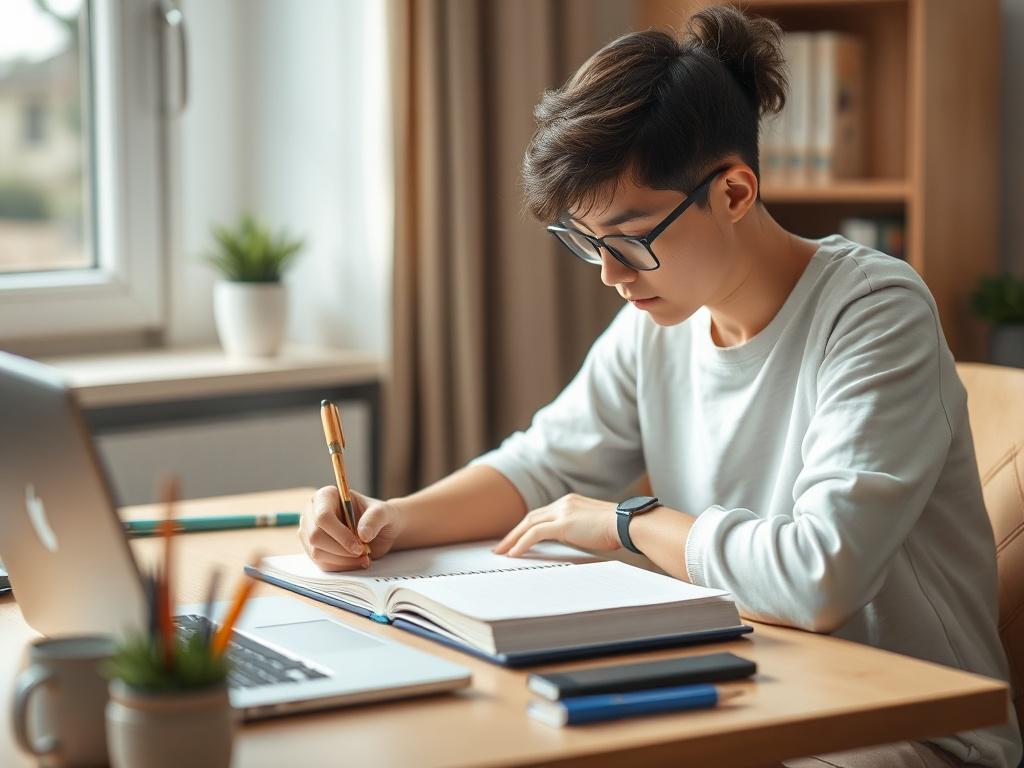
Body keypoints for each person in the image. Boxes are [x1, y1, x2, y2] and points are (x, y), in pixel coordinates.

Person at [299, 6, 1021, 767]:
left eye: (630, 239)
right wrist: (389, 523)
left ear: (735, 193)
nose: (610, 274)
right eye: (587, 244)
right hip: (753, 698)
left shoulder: (874, 312)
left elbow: (819, 576)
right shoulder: (659, 323)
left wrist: (627, 522)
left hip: (906, 734)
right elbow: (544, 464)